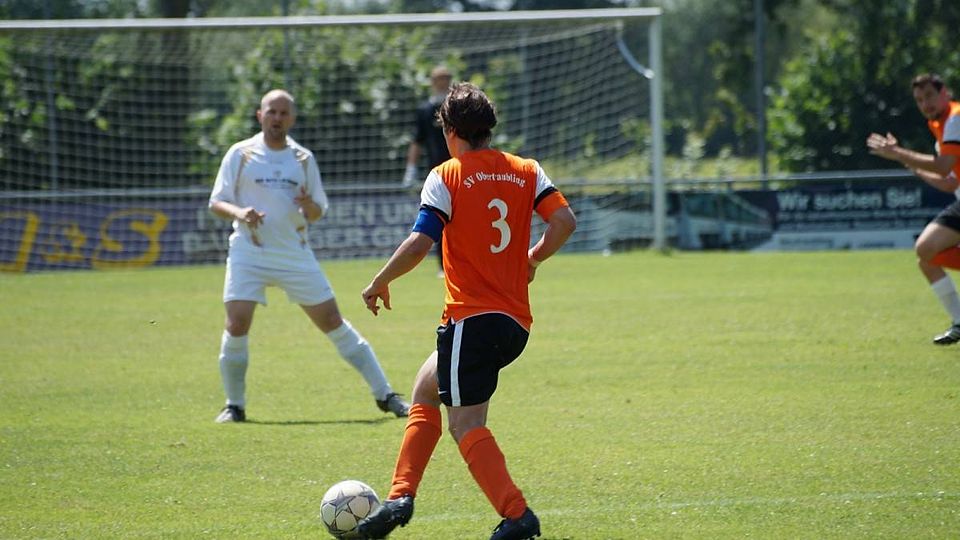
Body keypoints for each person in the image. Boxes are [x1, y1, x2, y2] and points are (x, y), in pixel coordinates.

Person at [357, 82, 577, 540]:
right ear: (489, 128)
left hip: (471, 321)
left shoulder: (447, 174)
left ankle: (517, 515)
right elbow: (564, 221)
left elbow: (421, 242)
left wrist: (380, 280)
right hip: (514, 324)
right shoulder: (527, 169)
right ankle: (400, 498)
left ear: (449, 131)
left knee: (465, 424)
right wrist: (533, 259)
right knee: (425, 389)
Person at [208, 89, 410, 423]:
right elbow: (217, 201)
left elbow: (317, 211)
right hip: (248, 251)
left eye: (283, 113)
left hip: (294, 254)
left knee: (332, 320)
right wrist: (240, 213)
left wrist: (308, 205)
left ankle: (386, 395)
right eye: (271, 112)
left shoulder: (302, 159)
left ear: (292, 119)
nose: (277, 118)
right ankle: (234, 406)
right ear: (260, 115)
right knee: (237, 323)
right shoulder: (240, 153)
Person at [867, 73, 960, 345]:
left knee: (926, 250)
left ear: (945, 93)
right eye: (919, 100)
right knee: (927, 254)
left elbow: (942, 166)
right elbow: (949, 182)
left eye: (929, 96)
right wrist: (909, 163)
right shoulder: (941, 128)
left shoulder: (955, 118)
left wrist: (899, 153)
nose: (925, 104)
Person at [402, 65, 454, 276]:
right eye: (440, 79)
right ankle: (443, 265)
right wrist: (411, 169)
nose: (443, 82)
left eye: (446, 78)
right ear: (433, 82)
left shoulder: (457, 107)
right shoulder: (425, 110)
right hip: (439, 174)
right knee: (439, 218)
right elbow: (417, 141)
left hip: (462, 171)